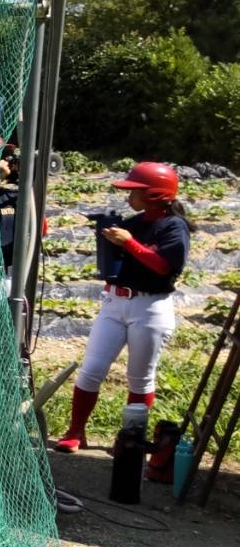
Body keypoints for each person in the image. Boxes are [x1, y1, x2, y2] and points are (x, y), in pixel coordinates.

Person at [53, 162, 191, 477]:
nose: (129, 196)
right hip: (115, 303)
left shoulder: (173, 226)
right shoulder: (134, 222)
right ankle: (75, 431)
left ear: (155, 195)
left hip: (150, 306)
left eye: (136, 191)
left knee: (140, 378)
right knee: (91, 369)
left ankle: (131, 440)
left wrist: (129, 243)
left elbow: (164, 266)